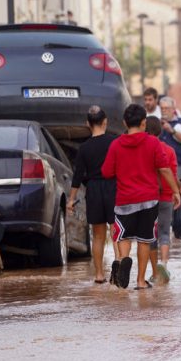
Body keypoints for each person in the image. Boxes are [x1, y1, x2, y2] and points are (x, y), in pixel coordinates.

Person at [101, 104, 181, 290]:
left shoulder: (116, 144)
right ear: (144, 122)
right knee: (145, 240)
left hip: (125, 200)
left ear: (124, 123)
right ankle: (140, 281)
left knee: (124, 237)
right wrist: (175, 190)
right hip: (148, 200)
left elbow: (106, 172)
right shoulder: (152, 143)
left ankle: (123, 259)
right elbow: (164, 169)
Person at [66, 105, 119, 284]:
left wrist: (71, 199)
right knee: (116, 230)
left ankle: (99, 274)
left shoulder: (84, 148)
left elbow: (77, 176)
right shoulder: (114, 142)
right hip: (113, 187)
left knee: (98, 235)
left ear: (87, 124)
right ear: (105, 122)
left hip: (94, 190)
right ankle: (119, 267)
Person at [145, 116, 181, 284]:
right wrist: (176, 192)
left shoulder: (143, 149)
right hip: (167, 195)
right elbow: (172, 173)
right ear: (160, 131)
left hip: (148, 196)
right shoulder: (169, 150)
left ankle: (154, 272)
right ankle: (164, 265)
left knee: (150, 235)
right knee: (165, 232)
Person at [159, 96, 181, 178]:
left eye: (166, 108)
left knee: (178, 188)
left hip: (177, 163)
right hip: (160, 165)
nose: (163, 110)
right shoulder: (157, 123)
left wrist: (172, 131)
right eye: (162, 108)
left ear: (173, 109)